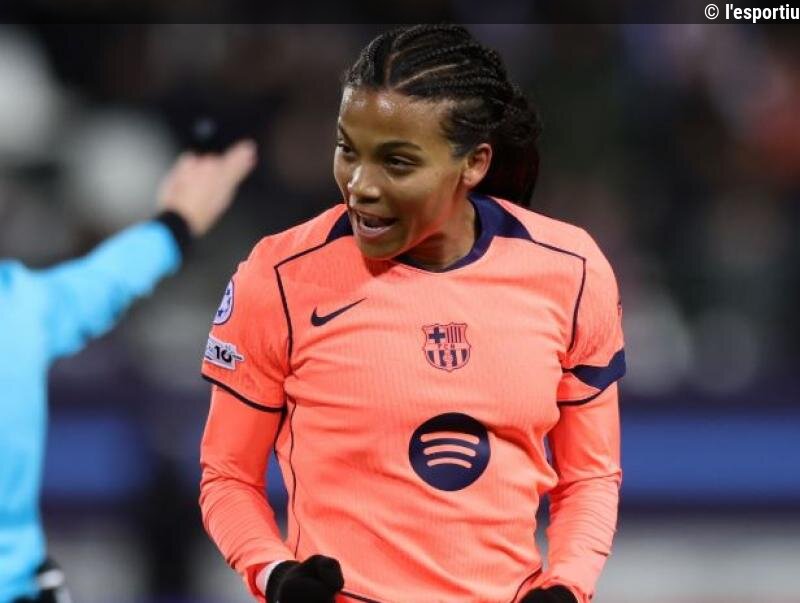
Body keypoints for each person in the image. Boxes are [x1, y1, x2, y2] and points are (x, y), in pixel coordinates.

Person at [199, 24, 624, 603]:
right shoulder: (277, 278)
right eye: (347, 149)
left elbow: (589, 476)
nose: (360, 186)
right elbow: (227, 476)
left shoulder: (572, 271)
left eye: (396, 163)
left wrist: (568, 587)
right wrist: (275, 574)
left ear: (473, 164)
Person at [0, 140, 257, 603]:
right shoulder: (20, 303)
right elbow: (108, 280)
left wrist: (174, 225)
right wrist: (176, 223)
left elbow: (106, 280)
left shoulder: (20, 303)